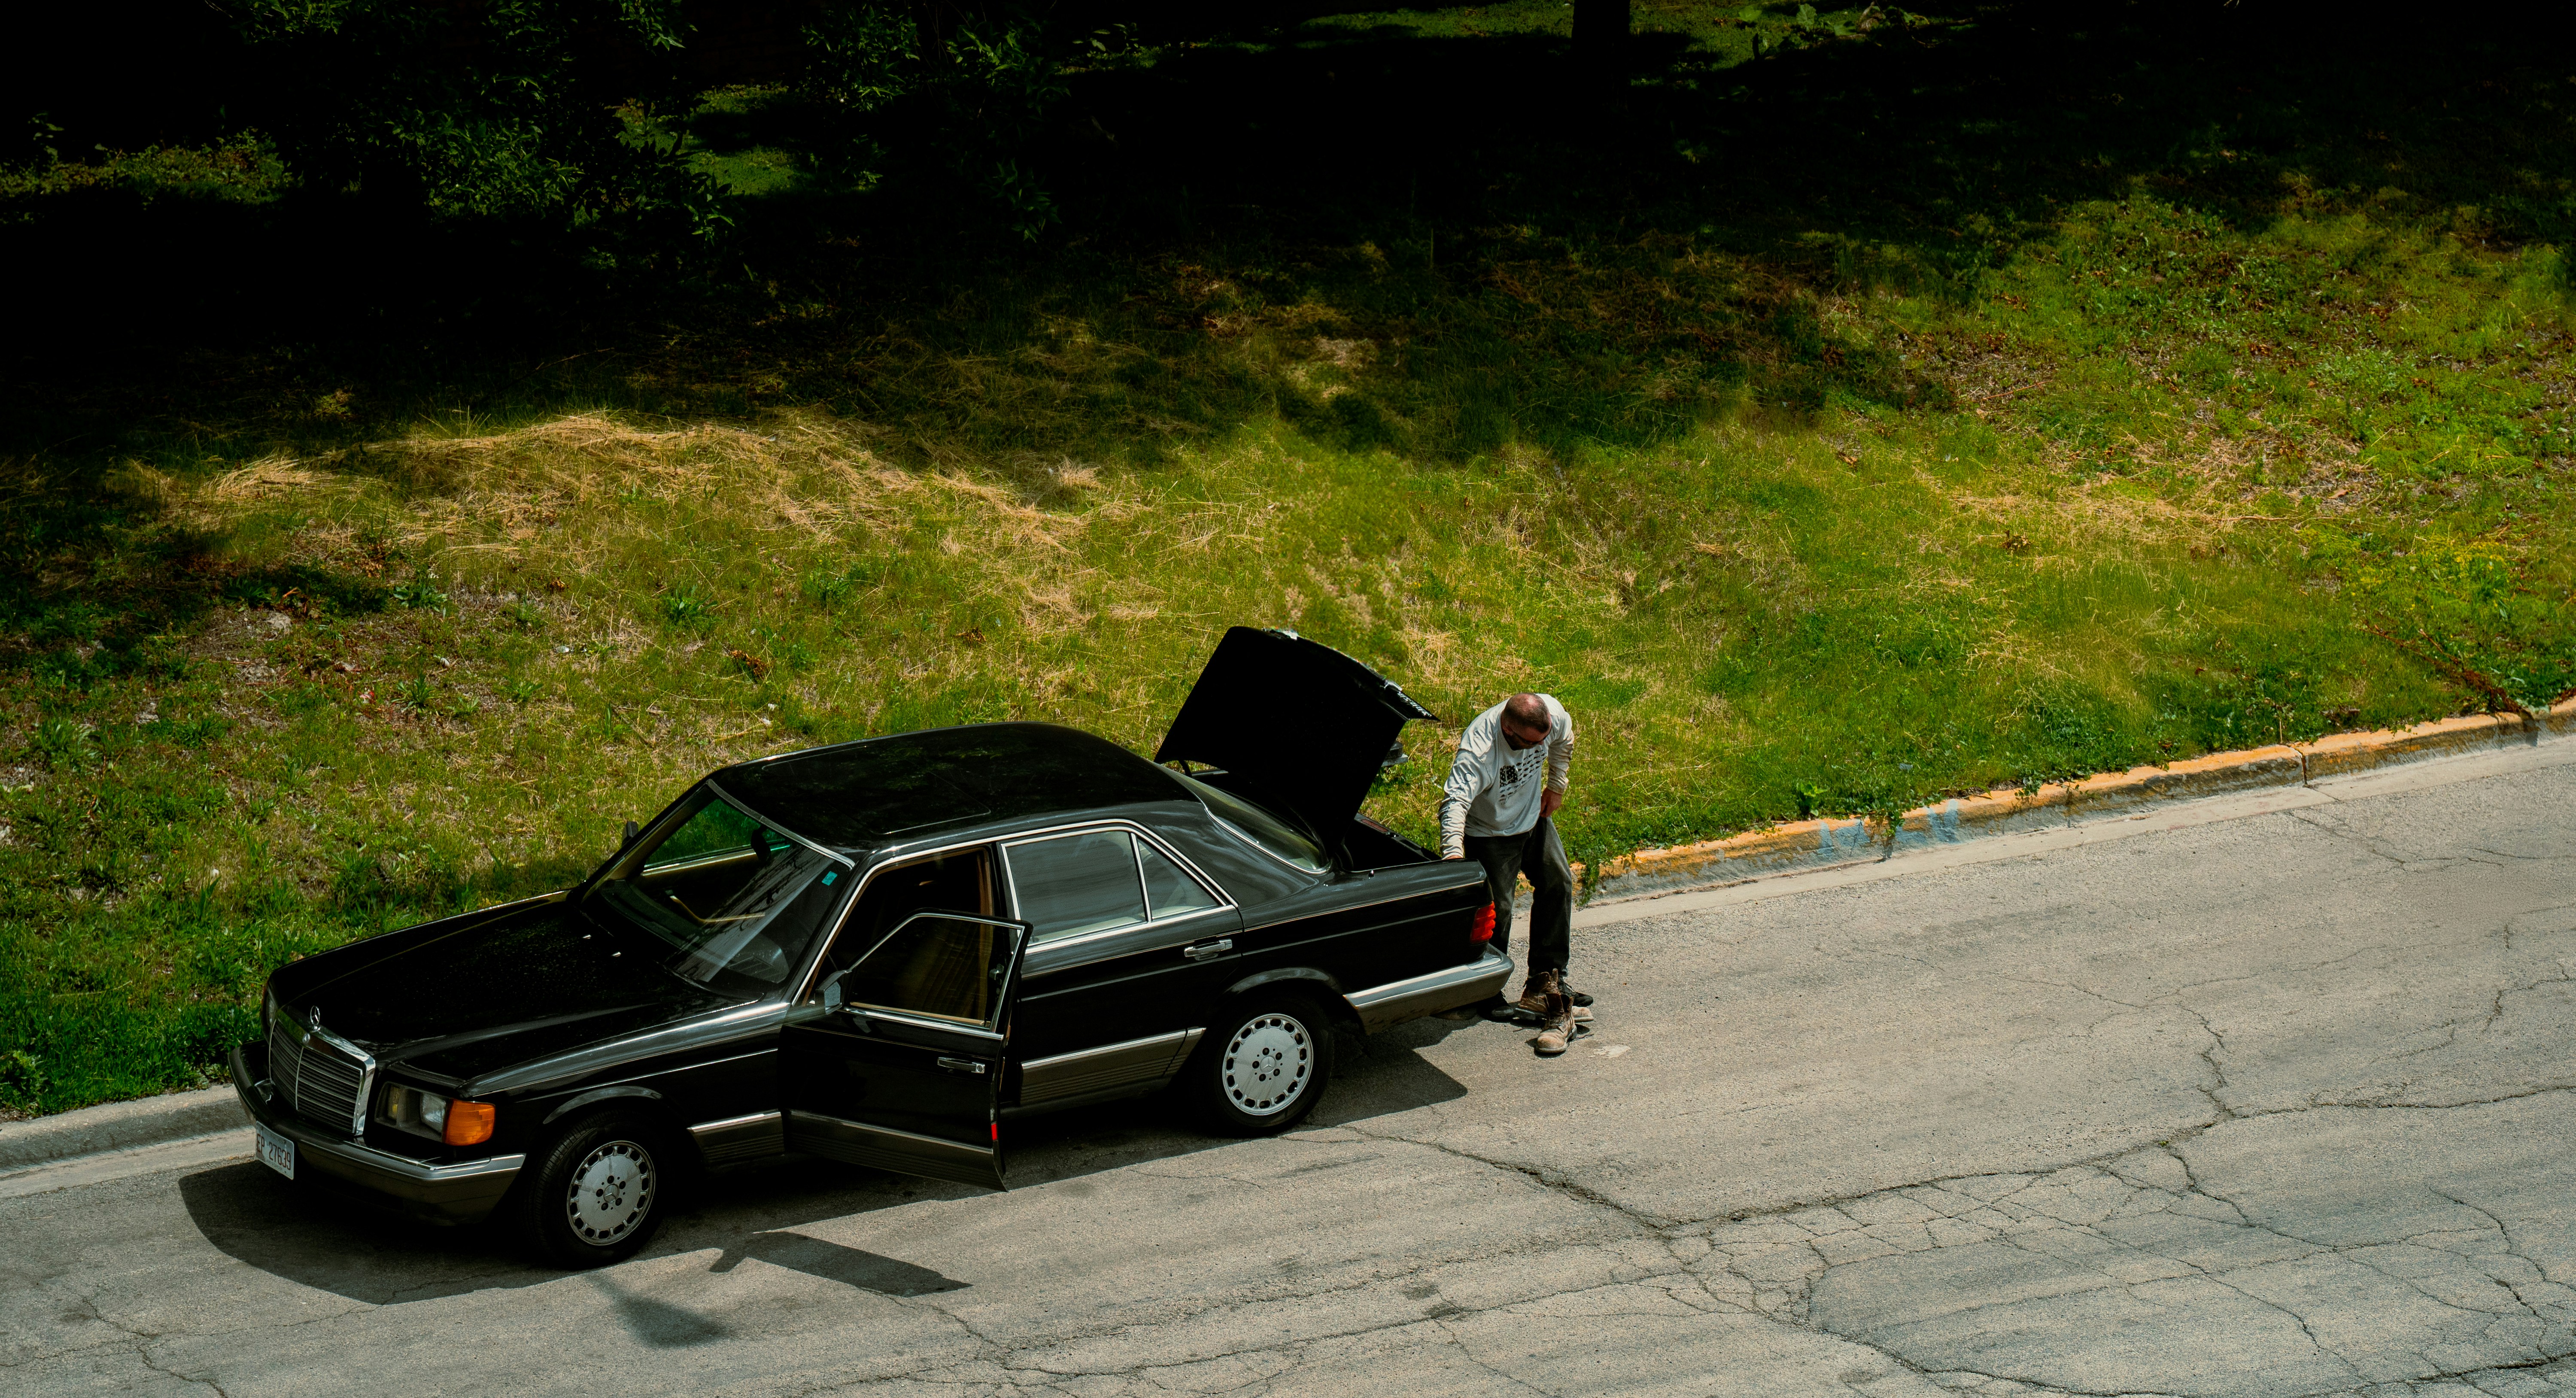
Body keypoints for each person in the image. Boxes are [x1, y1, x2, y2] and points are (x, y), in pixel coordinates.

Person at [1440, 692, 1591, 1055]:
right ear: (1509, 730)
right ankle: (1484, 989)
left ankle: (1547, 979)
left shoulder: (1549, 717)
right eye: (1531, 744)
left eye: (1543, 739)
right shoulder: (1479, 748)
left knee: (1559, 882)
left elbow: (1564, 740)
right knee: (1500, 908)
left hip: (1531, 820)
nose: (1539, 747)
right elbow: (1455, 802)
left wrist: (1556, 786)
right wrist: (1453, 856)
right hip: (1489, 832)